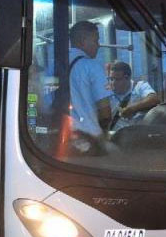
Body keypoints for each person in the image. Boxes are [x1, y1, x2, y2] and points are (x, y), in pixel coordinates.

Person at [67, 21, 113, 153]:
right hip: (90, 142)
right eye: (96, 40)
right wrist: (103, 137)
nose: (98, 45)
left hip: (64, 139)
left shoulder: (53, 67)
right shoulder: (92, 66)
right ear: (82, 41)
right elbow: (105, 113)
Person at [108, 60, 160, 130]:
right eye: (111, 79)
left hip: (137, 135)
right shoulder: (106, 94)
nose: (113, 83)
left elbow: (154, 99)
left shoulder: (139, 86)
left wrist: (133, 108)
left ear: (127, 78)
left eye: (117, 79)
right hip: (115, 136)